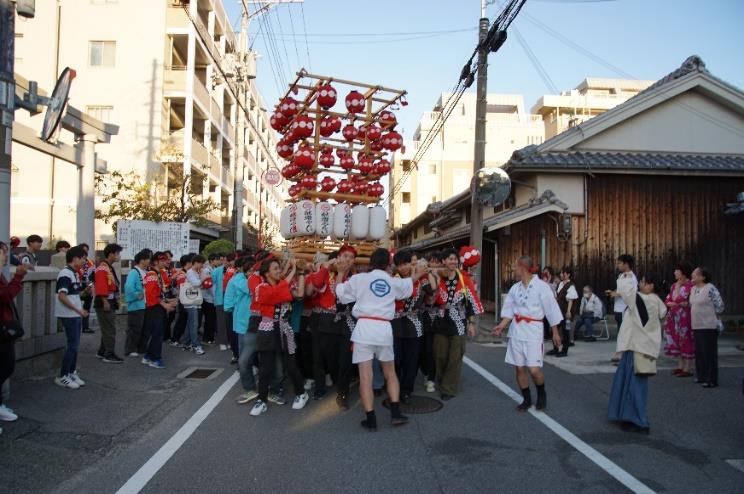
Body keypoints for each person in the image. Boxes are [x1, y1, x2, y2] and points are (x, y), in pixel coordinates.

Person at [336, 247, 419, 431]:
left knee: (366, 376)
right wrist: (415, 274)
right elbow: (407, 288)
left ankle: (371, 419)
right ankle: (395, 413)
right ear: (388, 264)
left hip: (364, 328)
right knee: (390, 373)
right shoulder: (392, 281)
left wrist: (340, 273)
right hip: (384, 329)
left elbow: (341, 294)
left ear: (371, 262)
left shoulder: (359, 279)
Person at [493, 256, 563, 411]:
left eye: (516, 266)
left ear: (523, 267)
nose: (514, 270)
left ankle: (541, 392)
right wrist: (501, 326)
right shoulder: (515, 288)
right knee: (519, 368)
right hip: (517, 331)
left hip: (533, 331)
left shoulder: (541, 287)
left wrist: (555, 333)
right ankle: (526, 398)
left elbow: (551, 310)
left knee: (534, 369)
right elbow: (510, 310)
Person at [250, 258, 310, 416]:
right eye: (275, 269)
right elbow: (274, 295)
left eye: (279, 268)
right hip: (267, 328)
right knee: (265, 369)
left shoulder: (284, 285)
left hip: (284, 328)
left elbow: (300, 294)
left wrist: (301, 272)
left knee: (291, 365)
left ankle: (301, 393)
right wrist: (291, 271)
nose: (278, 271)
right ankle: (262, 400)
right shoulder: (261, 288)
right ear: (266, 273)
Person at [608, 273, 666, 434]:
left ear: (651, 285)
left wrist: (625, 276)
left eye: (643, 282)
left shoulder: (639, 299)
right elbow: (662, 315)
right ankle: (630, 417)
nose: (640, 284)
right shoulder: (658, 302)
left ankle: (637, 420)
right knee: (636, 385)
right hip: (644, 346)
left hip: (635, 347)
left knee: (632, 385)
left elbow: (625, 289)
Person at [306, 246, 357, 407]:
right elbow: (314, 283)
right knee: (328, 358)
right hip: (327, 321)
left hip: (347, 321)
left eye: (351, 257)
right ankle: (331, 382)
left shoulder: (356, 278)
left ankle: (343, 392)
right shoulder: (327, 275)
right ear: (338, 258)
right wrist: (326, 266)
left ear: (354, 261)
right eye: (344, 256)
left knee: (345, 359)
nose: (347, 259)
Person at [432, 248, 484, 401]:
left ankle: (448, 388)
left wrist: (471, 323)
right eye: (449, 259)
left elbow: (472, 303)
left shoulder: (464, 279)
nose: (453, 261)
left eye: (455, 259)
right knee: (440, 355)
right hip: (440, 320)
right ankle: (443, 381)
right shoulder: (437, 278)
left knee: (455, 356)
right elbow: (430, 299)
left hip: (458, 322)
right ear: (443, 261)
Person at [392, 251, 431, 403]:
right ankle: (395, 387)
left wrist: (429, 271)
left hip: (414, 325)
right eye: (399, 265)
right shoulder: (392, 280)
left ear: (411, 263)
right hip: (395, 324)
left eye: (406, 264)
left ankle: (407, 390)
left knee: (412, 360)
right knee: (396, 360)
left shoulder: (422, 279)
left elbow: (432, 292)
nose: (403, 267)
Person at [224, 257, 260, 404]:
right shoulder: (239, 280)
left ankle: (266, 385)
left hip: (256, 322)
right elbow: (249, 290)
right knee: (245, 358)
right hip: (244, 323)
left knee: (258, 356)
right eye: (249, 270)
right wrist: (229, 308)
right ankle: (250, 387)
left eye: (254, 270)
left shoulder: (245, 279)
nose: (251, 272)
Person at [54, 246, 89, 389]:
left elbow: (72, 295)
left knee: (75, 345)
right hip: (69, 314)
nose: (84, 261)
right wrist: (78, 310)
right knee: (72, 345)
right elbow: (62, 296)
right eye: (83, 258)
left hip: (74, 313)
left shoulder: (73, 273)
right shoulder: (65, 273)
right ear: (75, 258)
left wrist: (85, 292)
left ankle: (71, 372)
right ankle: (63, 375)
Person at [0, 249, 28, 425]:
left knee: (7, 366)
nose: (5, 255)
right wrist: (18, 277)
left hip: (4, 329)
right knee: (4, 367)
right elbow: (5, 295)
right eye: (2, 252)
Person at [690, 267, 724, 388]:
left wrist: (715, 316)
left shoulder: (710, 288)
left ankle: (712, 379)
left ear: (702, 277)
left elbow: (719, 305)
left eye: (694, 274)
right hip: (696, 324)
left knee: (709, 352)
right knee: (699, 352)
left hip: (709, 325)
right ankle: (701, 375)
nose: (692, 276)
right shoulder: (693, 289)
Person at [141, 253, 177, 369]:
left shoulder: (159, 274)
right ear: (155, 262)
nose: (165, 262)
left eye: (166, 260)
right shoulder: (152, 275)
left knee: (158, 333)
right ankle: (155, 359)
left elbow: (160, 293)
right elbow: (151, 295)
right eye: (162, 260)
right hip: (154, 308)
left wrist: (168, 301)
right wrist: (165, 305)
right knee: (158, 334)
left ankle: (148, 356)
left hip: (157, 307)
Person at [664, 262, 695, 377]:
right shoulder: (673, 285)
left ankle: (687, 367)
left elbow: (683, 300)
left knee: (685, 339)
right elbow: (668, 300)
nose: (675, 272)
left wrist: (676, 303)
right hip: (673, 316)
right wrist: (674, 303)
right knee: (676, 339)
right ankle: (680, 365)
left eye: (677, 270)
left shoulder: (690, 285)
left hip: (684, 317)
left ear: (683, 272)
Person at [95, 243, 123, 363]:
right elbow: (101, 286)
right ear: (111, 254)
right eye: (117, 253)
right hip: (104, 302)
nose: (118, 256)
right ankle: (109, 354)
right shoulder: (103, 268)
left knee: (107, 328)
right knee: (110, 329)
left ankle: (102, 351)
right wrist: (105, 301)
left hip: (109, 300)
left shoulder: (108, 267)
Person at [606, 254, 638, 363]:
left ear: (626, 264)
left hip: (625, 308)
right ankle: (621, 352)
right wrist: (613, 293)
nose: (618, 265)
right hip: (618, 307)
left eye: (620, 263)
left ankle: (621, 353)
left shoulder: (632, 277)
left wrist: (617, 294)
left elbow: (631, 293)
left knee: (624, 331)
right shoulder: (621, 276)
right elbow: (620, 289)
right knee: (621, 330)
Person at [419, 252, 441, 393]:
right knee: (424, 350)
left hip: (440, 317)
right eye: (431, 262)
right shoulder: (423, 277)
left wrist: (437, 277)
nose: (434, 265)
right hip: (424, 316)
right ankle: (426, 373)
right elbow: (431, 293)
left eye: (437, 262)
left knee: (434, 351)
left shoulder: (445, 276)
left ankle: (431, 378)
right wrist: (432, 276)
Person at [124, 250, 150, 357]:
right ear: (142, 260)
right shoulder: (134, 272)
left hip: (144, 304)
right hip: (136, 305)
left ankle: (141, 348)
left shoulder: (145, 271)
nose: (149, 261)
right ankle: (130, 349)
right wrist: (137, 295)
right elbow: (128, 287)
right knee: (135, 328)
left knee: (144, 328)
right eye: (148, 259)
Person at [549, 266, 578, 357]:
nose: (561, 275)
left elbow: (570, 300)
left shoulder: (571, 285)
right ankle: (556, 348)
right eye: (561, 273)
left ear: (568, 274)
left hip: (565, 311)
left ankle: (564, 350)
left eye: (563, 273)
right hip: (559, 310)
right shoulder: (561, 284)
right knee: (554, 330)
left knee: (565, 331)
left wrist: (569, 311)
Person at [182, 255, 206, 355]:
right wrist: (204, 278)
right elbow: (196, 283)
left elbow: (198, 285)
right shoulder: (190, 272)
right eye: (201, 263)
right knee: (194, 324)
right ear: (195, 262)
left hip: (194, 301)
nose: (202, 265)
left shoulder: (197, 272)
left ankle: (186, 343)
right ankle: (196, 345)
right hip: (191, 302)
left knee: (190, 324)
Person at [169, 254, 193, 346]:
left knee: (184, 319)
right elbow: (182, 286)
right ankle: (175, 338)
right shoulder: (181, 274)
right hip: (183, 299)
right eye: (192, 261)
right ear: (187, 263)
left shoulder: (187, 272)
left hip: (187, 299)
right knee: (181, 320)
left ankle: (178, 338)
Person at [212, 252, 229, 351]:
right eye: (222, 260)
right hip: (220, 298)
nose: (224, 262)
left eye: (225, 260)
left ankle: (229, 341)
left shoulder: (233, 270)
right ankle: (222, 342)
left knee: (229, 321)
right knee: (221, 321)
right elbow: (211, 283)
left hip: (230, 299)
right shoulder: (216, 271)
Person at [78, 244, 96, 334]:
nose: (85, 252)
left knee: (87, 307)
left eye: (86, 250)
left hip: (87, 286)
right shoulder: (76, 262)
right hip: (77, 286)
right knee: (76, 306)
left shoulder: (91, 263)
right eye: (83, 250)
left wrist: (90, 286)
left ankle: (85, 327)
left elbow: (93, 277)